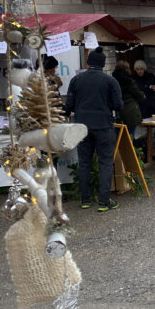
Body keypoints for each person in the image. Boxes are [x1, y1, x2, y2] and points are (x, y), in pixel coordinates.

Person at [64, 47, 123, 212]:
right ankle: (104, 201)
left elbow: (68, 106)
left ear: (88, 63)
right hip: (103, 125)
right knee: (105, 162)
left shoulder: (76, 80)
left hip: (81, 126)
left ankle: (86, 200)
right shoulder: (110, 81)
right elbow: (118, 105)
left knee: (84, 162)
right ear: (103, 64)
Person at [113, 60, 144, 137]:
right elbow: (138, 94)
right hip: (130, 111)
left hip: (118, 111)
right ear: (127, 69)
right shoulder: (129, 81)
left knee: (118, 138)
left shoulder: (112, 81)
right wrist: (142, 95)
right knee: (130, 137)